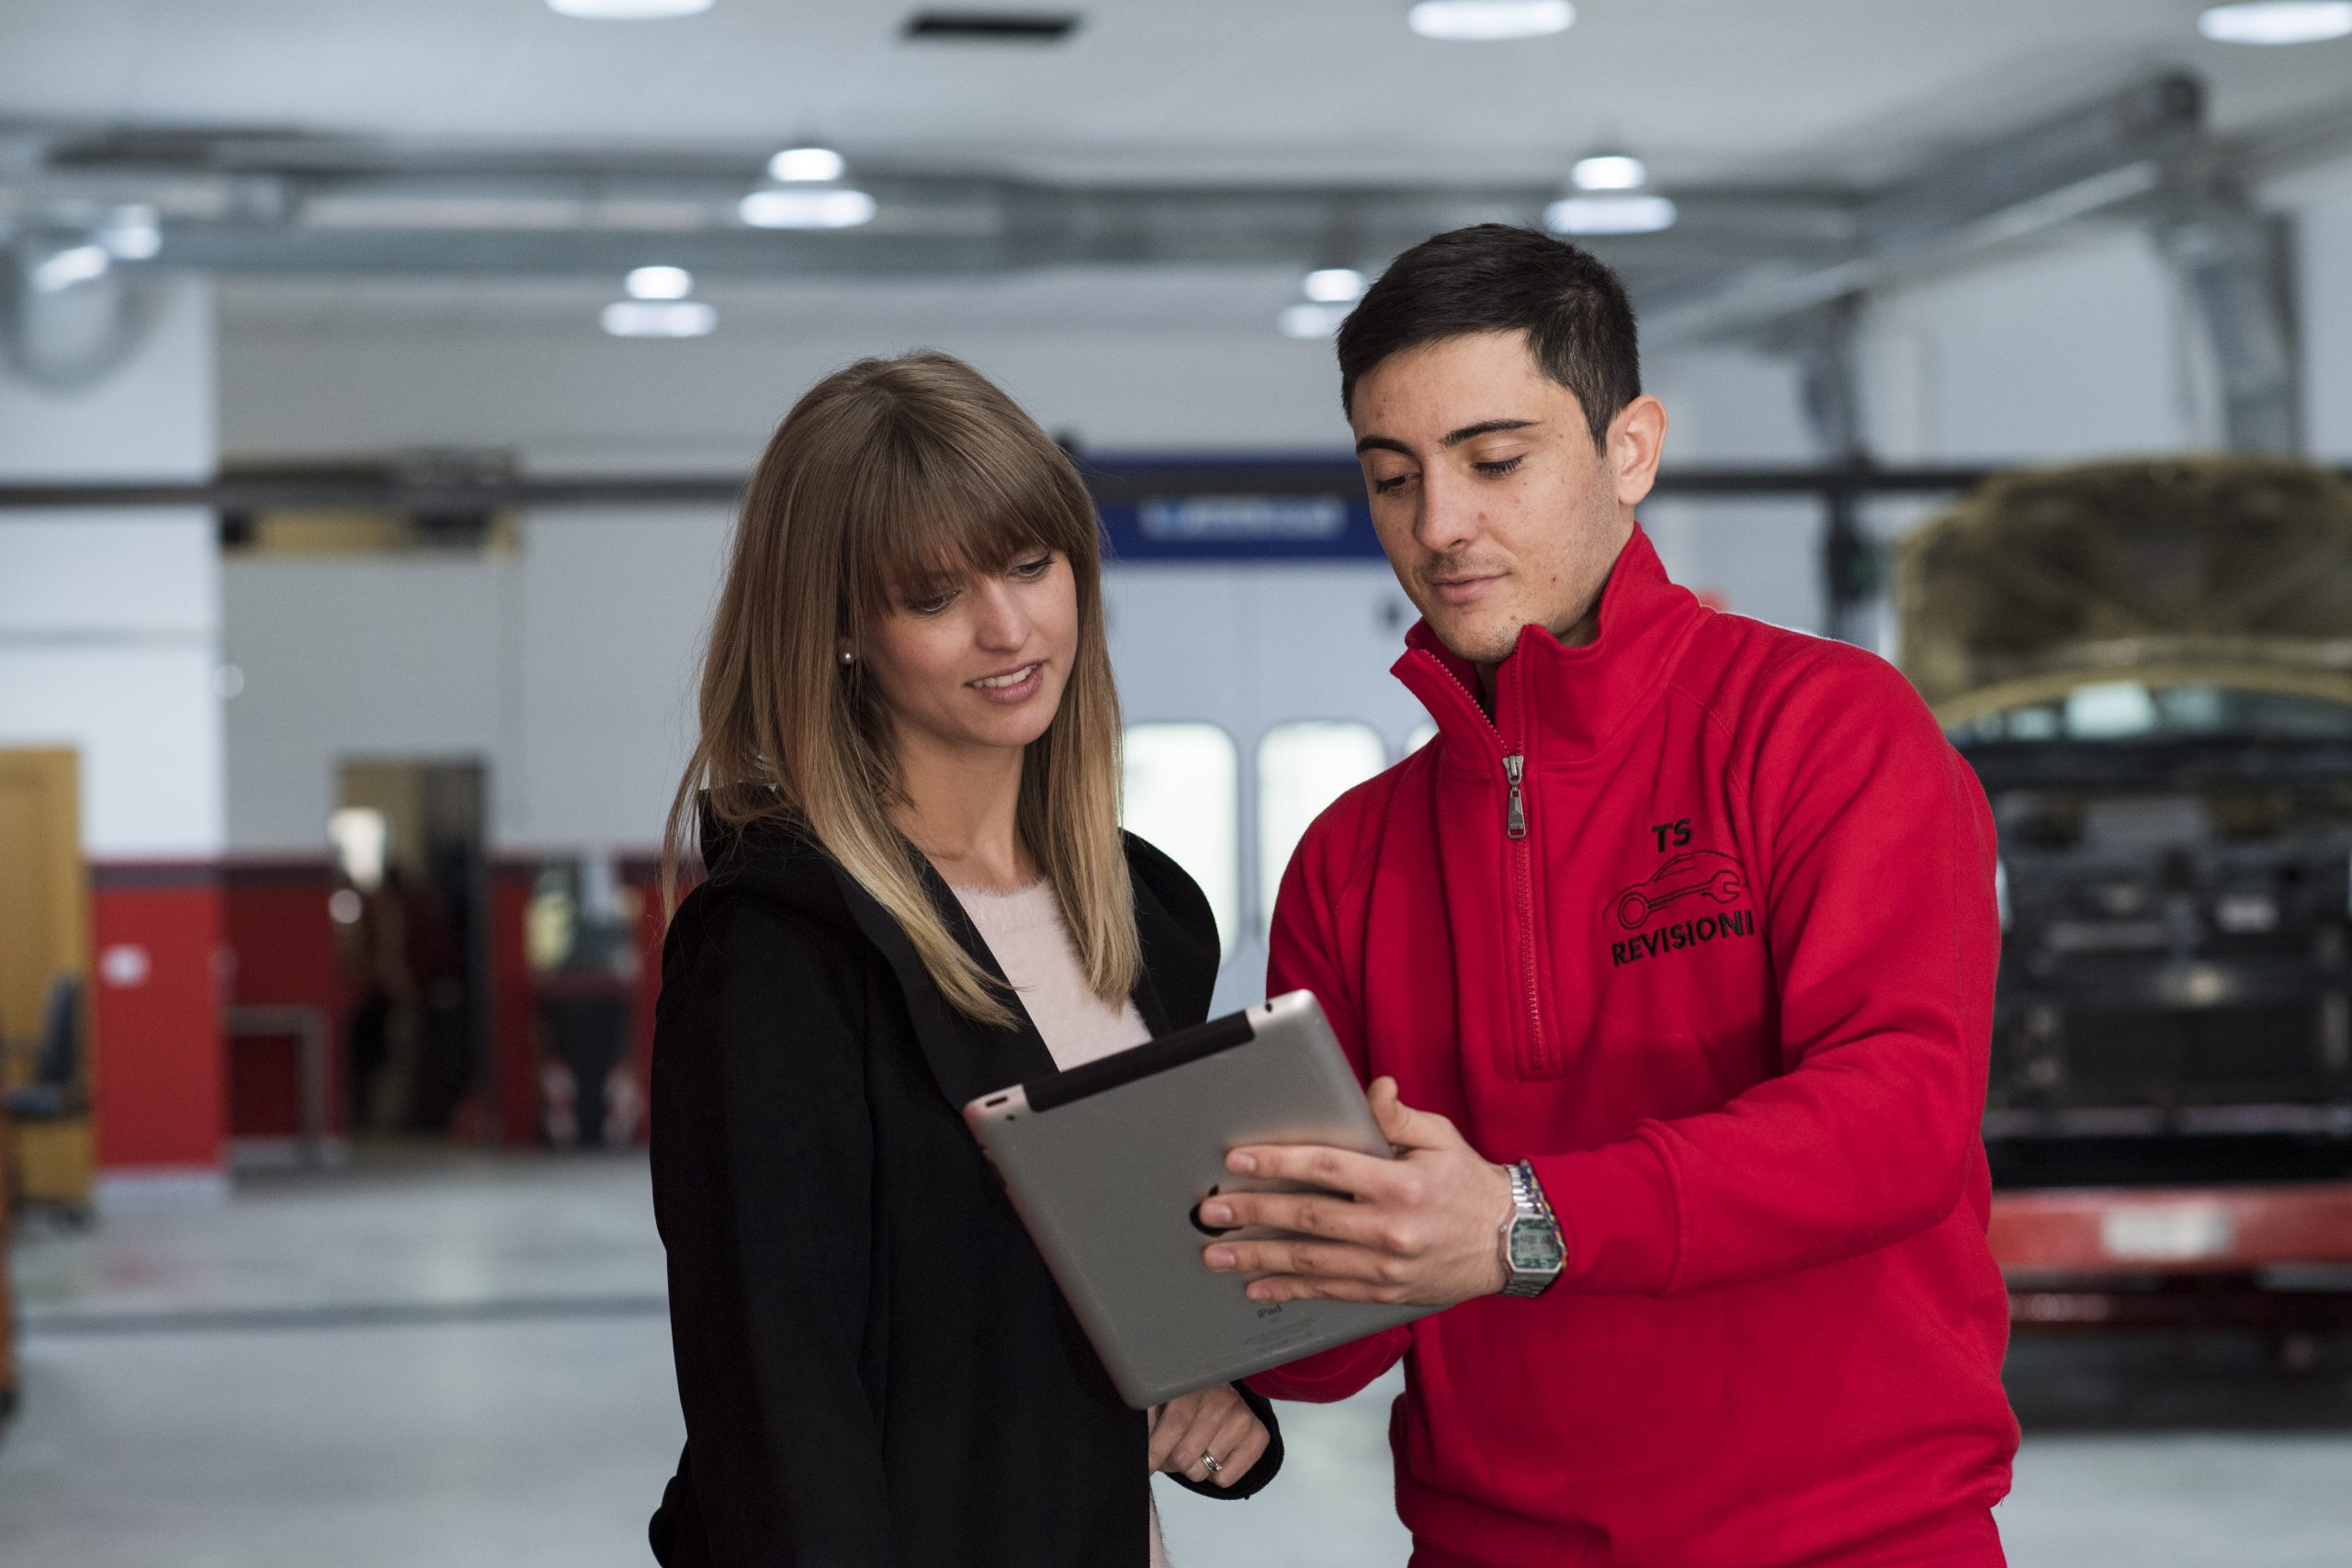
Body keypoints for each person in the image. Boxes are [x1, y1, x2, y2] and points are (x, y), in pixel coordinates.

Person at [1196, 226, 2018, 1566]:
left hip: (1855, 1543)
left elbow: (1896, 1121)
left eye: (1493, 461)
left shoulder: (1825, 730)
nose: (1437, 526)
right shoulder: (1352, 856)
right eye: (1392, 477)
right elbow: (1348, 1322)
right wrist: (1224, 1321)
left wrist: (1524, 1222)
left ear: (1629, 449)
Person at [646, 350, 1280, 1567]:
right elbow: (775, 1410)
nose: (1008, 628)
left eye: (1031, 565)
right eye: (935, 596)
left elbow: (1128, 1282)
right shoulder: (774, 957)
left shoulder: (1146, 914)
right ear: (840, 627)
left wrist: (1212, 1386)